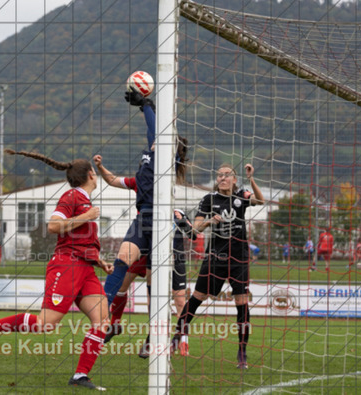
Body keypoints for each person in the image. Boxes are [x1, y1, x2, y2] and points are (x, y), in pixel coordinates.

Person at [0, 149, 113, 390]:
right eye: (94, 172)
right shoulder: (72, 197)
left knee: (102, 320)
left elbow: (80, 241)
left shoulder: (85, 201)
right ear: (91, 174)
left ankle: (80, 376)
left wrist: (99, 261)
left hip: (85, 268)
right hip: (67, 265)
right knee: (47, 323)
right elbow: (53, 226)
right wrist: (87, 216)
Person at [93, 139, 191, 358]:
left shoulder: (166, 175)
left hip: (159, 240)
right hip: (141, 238)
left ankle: (153, 338)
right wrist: (100, 167)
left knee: (154, 295)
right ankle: (114, 323)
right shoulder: (141, 179)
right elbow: (113, 180)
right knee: (121, 282)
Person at [101, 89, 187, 313]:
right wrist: (146, 107)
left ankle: (160, 330)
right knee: (122, 259)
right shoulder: (151, 153)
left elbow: (156, 130)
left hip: (162, 221)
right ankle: (102, 308)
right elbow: (154, 130)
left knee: (155, 284)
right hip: (143, 219)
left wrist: (146, 105)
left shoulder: (169, 156)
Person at [174, 163, 264, 370]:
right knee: (197, 297)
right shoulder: (209, 199)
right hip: (215, 257)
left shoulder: (242, 195)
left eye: (227, 175)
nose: (222, 178)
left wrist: (251, 178)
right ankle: (177, 337)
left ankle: (242, 352)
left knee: (241, 302)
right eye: (219, 175)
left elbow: (260, 200)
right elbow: (196, 228)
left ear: (234, 179)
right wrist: (209, 222)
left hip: (239, 259)